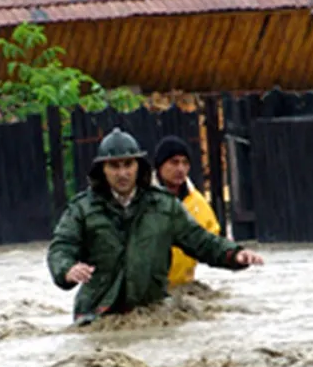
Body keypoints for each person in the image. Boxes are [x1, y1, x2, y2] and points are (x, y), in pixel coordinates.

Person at [47, 127, 264, 325]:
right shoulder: (82, 209)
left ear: (138, 166)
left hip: (150, 311)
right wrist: (67, 269)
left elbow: (201, 240)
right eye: (114, 165)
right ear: (102, 169)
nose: (122, 173)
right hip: (96, 314)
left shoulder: (164, 206)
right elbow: (61, 247)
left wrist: (234, 254)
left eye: (128, 164)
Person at [151, 135, 224, 288]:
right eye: (174, 162)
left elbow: (213, 240)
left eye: (185, 163)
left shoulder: (197, 202)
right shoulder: (143, 199)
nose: (180, 169)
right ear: (159, 166)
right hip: (150, 290)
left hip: (184, 286)